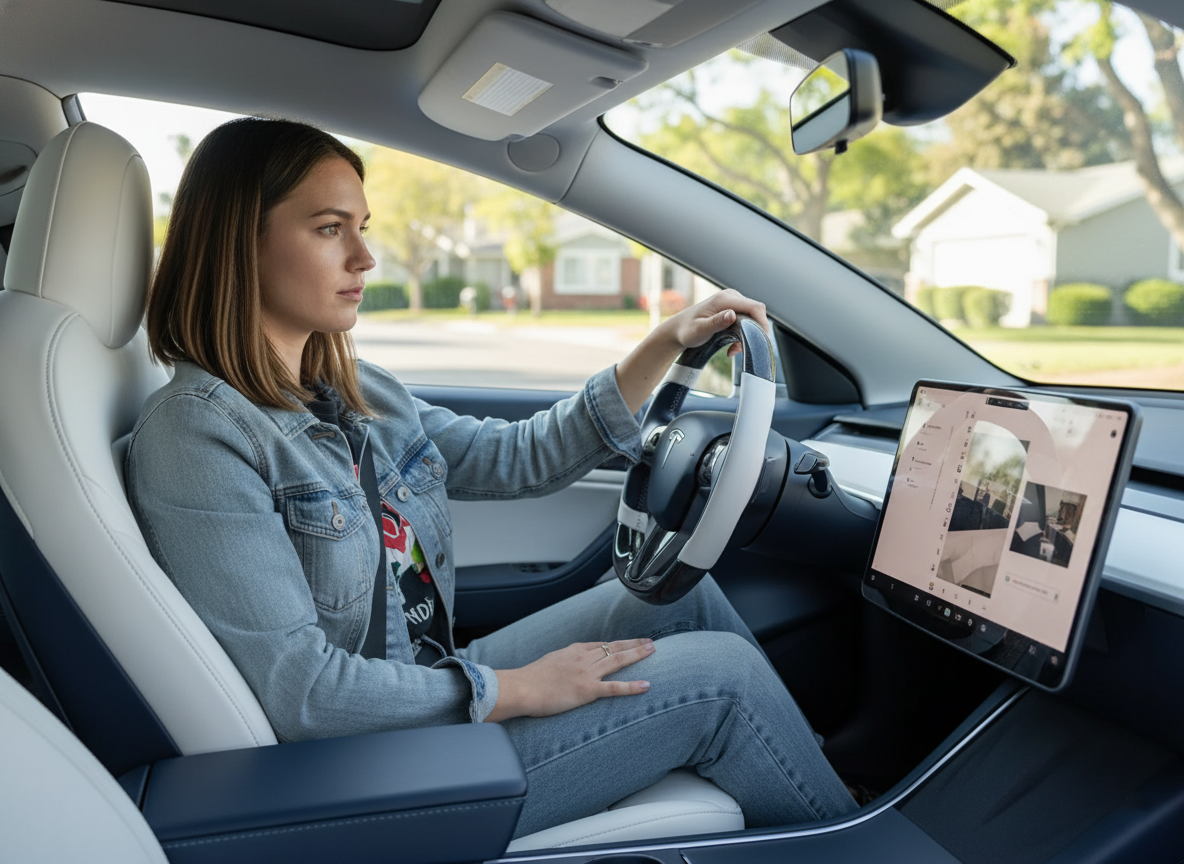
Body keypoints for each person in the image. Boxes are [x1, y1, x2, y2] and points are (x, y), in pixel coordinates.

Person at [126, 118, 858, 838]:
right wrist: (517, 690)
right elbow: (304, 694)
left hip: (424, 684)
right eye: (329, 229)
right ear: (239, 243)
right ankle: (850, 835)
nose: (365, 258)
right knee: (725, 681)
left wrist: (666, 341)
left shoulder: (358, 391)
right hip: (362, 764)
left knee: (683, 598)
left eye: (362, 228)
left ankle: (808, 780)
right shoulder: (199, 434)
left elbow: (518, 457)